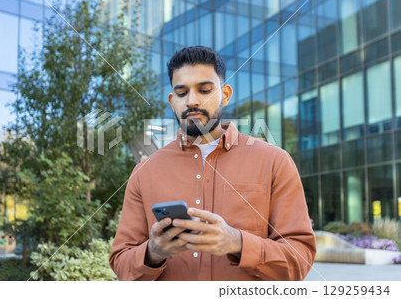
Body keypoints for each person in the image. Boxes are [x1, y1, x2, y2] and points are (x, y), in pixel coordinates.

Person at [109, 46, 316, 281]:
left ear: (225, 95)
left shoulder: (274, 162)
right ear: (172, 101)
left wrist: (237, 243)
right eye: (182, 93)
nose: (192, 101)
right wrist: (153, 252)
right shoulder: (144, 172)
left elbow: (300, 259)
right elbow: (121, 263)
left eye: (205, 90)